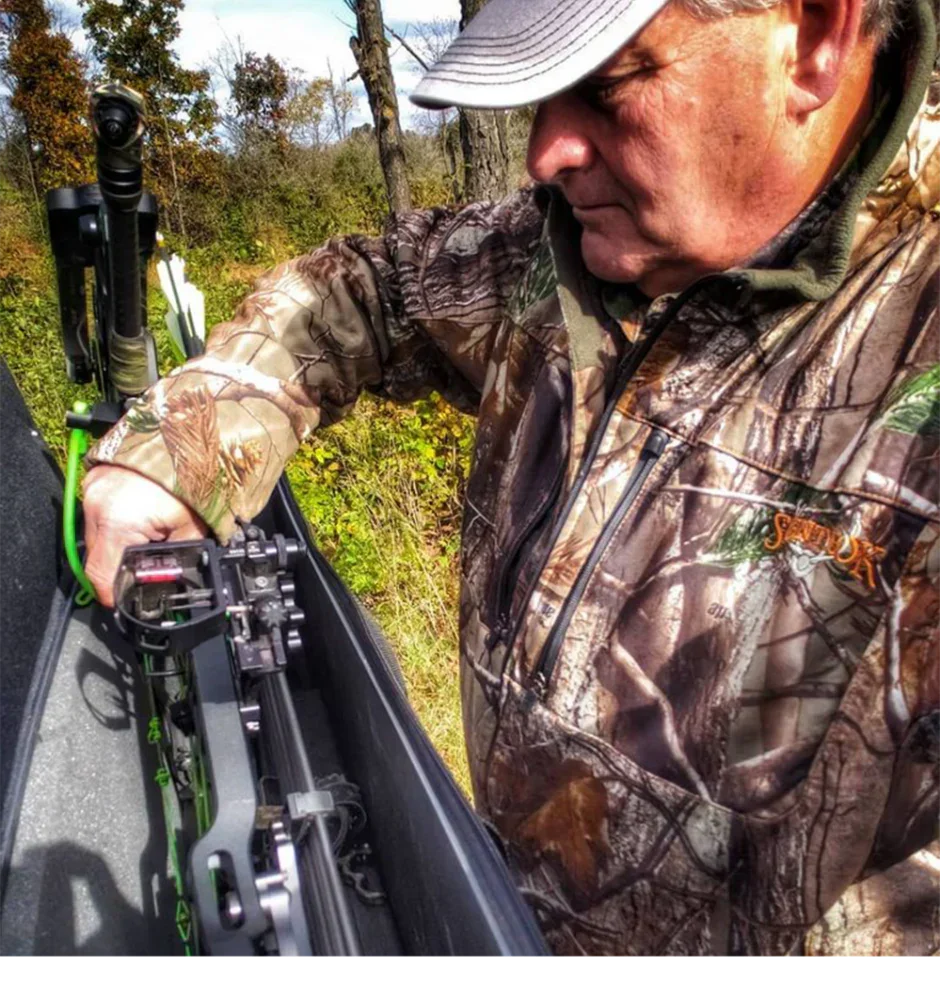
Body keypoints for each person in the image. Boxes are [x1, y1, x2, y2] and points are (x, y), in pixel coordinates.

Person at [82, 0, 940, 958]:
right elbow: (374, 285)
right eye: (539, 92)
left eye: (608, 84)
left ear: (816, 35)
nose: (546, 152)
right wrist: (181, 448)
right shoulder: (559, 259)